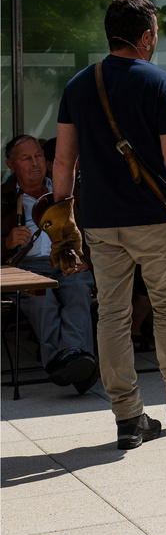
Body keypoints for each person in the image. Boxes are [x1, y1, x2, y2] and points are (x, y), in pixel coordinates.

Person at [54, 0, 166, 450]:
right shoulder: (161, 83)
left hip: (98, 221)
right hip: (153, 220)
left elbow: (63, 161)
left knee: (111, 314)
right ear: (146, 36)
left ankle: (128, 418)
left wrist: (61, 220)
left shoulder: (78, 85)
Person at [1, 135, 98, 392]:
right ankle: (78, 364)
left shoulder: (66, 191)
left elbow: (95, 232)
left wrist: (87, 259)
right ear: (11, 165)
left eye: (39, 156)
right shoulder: (3, 198)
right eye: (26, 158)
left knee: (78, 288)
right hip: (25, 267)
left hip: (67, 260)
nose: (36, 163)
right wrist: (7, 243)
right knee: (42, 298)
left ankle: (67, 362)